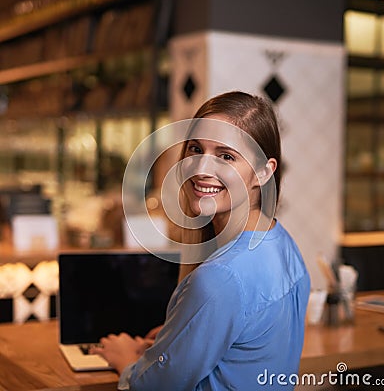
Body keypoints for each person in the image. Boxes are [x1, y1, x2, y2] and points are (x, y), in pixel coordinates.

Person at [91, 91, 310, 390]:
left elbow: (157, 386)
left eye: (226, 156)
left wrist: (126, 359)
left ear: (263, 171)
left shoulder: (219, 278)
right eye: (196, 149)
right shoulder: (283, 243)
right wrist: (181, 334)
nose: (201, 169)